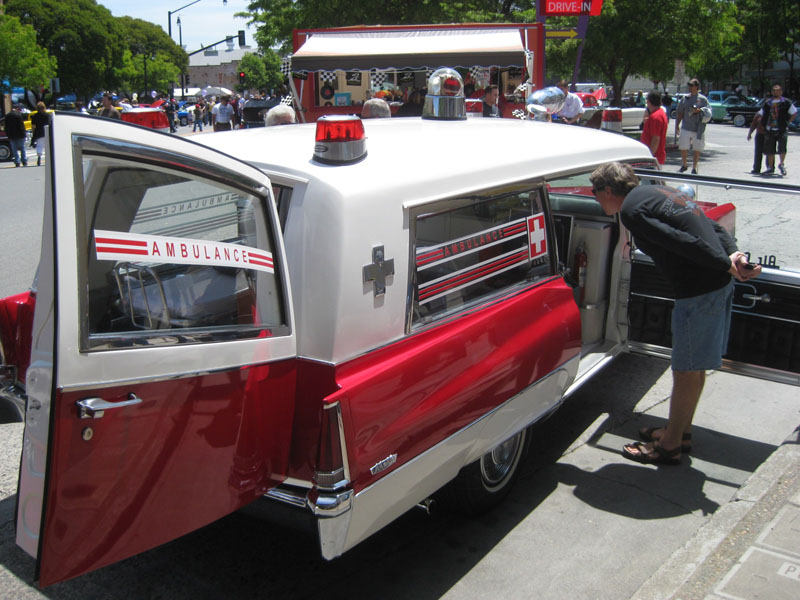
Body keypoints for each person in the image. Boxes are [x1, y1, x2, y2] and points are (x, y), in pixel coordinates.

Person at [588, 162, 761, 465]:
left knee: (685, 371)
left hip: (699, 292)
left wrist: (724, 263)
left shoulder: (630, 211)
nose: (595, 198)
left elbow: (680, 242)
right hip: (714, 286)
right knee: (694, 369)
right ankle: (680, 432)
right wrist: (734, 254)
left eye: (594, 192)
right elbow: (712, 226)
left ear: (606, 190)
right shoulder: (659, 192)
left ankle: (669, 446)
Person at [757, 83, 797, 176]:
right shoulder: (767, 103)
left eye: (778, 90)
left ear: (781, 91)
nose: (776, 91)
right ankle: (770, 168)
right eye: (774, 90)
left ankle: (781, 164)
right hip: (769, 129)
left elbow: (794, 113)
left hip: (782, 128)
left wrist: (788, 122)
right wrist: (761, 125)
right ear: (771, 92)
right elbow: (761, 114)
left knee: (782, 148)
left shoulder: (786, 102)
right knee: (770, 150)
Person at [674, 78, 710, 174]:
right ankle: (684, 165)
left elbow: (708, 112)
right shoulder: (685, 98)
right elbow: (680, 113)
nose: (690, 87)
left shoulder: (703, 99)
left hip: (698, 127)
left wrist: (699, 110)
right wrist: (677, 125)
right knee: (683, 146)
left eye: (692, 85)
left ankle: (694, 167)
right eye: (689, 85)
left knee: (697, 148)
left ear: (697, 87)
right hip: (686, 126)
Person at [640, 91, 668, 164]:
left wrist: (650, 157)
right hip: (656, 157)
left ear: (648, 101)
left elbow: (656, 139)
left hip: (654, 158)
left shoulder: (655, 117)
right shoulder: (659, 113)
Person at [30, 101, 52, 167]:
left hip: (38, 132)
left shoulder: (35, 116)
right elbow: (50, 124)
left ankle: (39, 157)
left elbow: (33, 126)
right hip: (47, 132)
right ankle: (49, 159)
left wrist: (34, 133)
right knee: (48, 147)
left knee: (39, 146)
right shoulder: (48, 115)